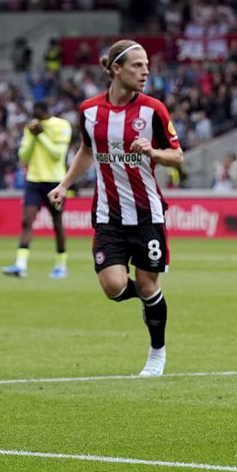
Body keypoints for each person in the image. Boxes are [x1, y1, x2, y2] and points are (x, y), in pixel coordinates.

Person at [48, 39, 184, 377]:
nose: (146, 71)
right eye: (138, 65)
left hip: (146, 213)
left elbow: (177, 156)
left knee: (148, 284)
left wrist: (154, 153)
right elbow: (86, 150)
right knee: (113, 287)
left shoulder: (153, 109)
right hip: (108, 213)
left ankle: (157, 353)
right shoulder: (89, 111)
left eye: (147, 65)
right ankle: (153, 301)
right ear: (117, 69)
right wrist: (65, 184)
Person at [2, 101, 72, 278]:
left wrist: (41, 136)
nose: (35, 117)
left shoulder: (61, 125)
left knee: (57, 223)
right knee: (26, 220)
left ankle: (61, 265)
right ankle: (20, 265)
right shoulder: (31, 127)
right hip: (33, 180)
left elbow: (57, 155)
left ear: (47, 112)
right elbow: (23, 156)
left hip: (55, 182)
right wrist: (33, 136)